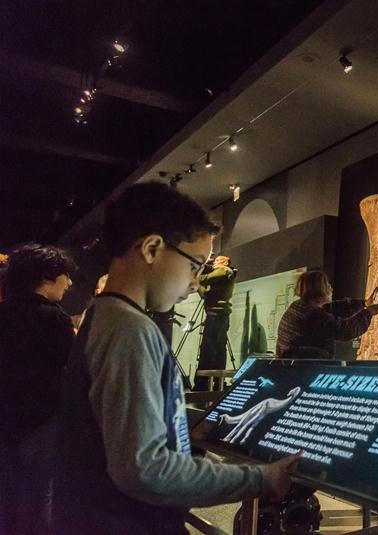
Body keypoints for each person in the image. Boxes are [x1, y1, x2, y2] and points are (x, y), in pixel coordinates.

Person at [52, 182, 300, 535]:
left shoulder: (103, 316)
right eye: (195, 265)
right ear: (152, 248)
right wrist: (262, 477)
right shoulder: (129, 330)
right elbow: (146, 470)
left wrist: (183, 423)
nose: (196, 283)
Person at [0, 243, 77, 534]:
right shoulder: (54, 318)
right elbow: (72, 369)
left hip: (5, 417)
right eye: (65, 276)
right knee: (38, 493)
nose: (69, 283)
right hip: (42, 420)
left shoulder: (3, 313)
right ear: (47, 276)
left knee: (6, 490)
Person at [276, 270, 378, 359]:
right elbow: (347, 330)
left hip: (292, 367)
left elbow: (334, 309)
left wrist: (364, 303)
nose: (331, 288)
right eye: (327, 285)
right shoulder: (313, 314)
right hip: (304, 371)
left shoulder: (300, 306)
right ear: (319, 289)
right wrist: (369, 312)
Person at [194, 255, 237, 390]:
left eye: (218, 260)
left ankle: (202, 384)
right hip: (218, 314)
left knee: (209, 349)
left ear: (226, 262)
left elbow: (204, 280)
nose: (214, 263)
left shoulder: (224, 270)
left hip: (216, 315)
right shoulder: (223, 274)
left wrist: (195, 276)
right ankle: (215, 382)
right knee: (217, 348)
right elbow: (205, 293)